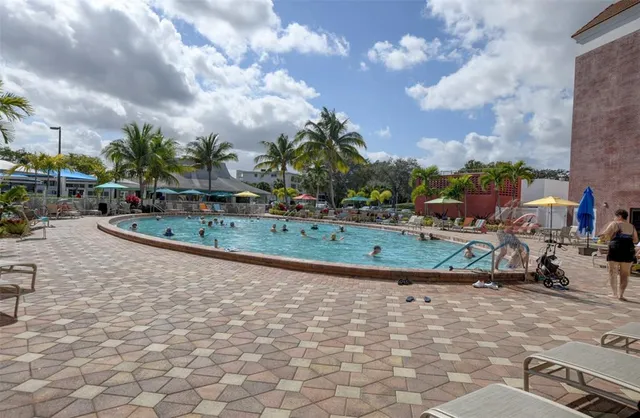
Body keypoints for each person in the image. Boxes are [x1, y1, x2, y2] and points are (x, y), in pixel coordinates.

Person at [599, 209, 639, 301]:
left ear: (619, 216)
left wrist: (603, 236)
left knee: (612, 272)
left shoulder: (614, 224)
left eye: (615, 216)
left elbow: (605, 236)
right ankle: (621, 295)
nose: (614, 218)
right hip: (628, 251)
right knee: (625, 274)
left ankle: (614, 294)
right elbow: (636, 240)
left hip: (615, 249)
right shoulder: (632, 227)